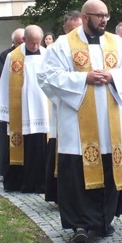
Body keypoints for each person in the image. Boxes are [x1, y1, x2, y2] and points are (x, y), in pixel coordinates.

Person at [38, 0, 122, 243]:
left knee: (108, 168)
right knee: (76, 173)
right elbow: (47, 76)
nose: (104, 20)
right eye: (99, 15)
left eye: (106, 15)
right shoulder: (63, 45)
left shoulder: (116, 43)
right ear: (85, 17)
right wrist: (84, 79)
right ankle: (79, 225)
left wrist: (112, 75)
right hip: (77, 125)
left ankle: (104, 220)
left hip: (110, 125)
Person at [0, 25, 50, 192]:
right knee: (20, 145)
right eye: (32, 43)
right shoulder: (13, 57)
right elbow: (4, 83)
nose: (35, 46)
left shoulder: (47, 55)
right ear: (24, 40)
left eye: (38, 43)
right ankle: (19, 182)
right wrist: (3, 111)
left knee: (41, 146)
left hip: (43, 109)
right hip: (21, 110)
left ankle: (40, 183)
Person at [44, 11, 83, 203]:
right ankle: (62, 195)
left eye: (78, 29)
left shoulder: (90, 48)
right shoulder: (56, 48)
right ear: (64, 28)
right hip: (65, 107)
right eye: (70, 29)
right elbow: (44, 77)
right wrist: (65, 96)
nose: (74, 33)